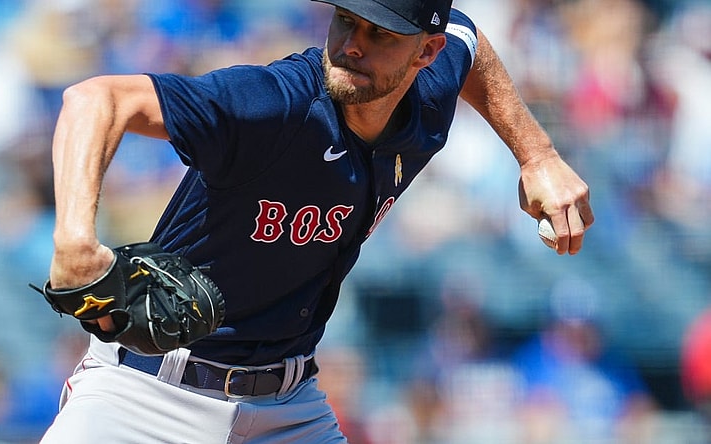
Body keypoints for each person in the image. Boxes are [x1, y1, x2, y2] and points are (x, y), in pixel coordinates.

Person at [40, 0, 594, 442]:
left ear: (426, 52)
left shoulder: (430, 90)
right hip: (147, 396)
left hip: (288, 410)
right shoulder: (274, 104)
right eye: (346, 20)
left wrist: (537, 154)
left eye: (380, 33)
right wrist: (74, 240)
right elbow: (96, 100)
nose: (352, 44)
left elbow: (466, 40)